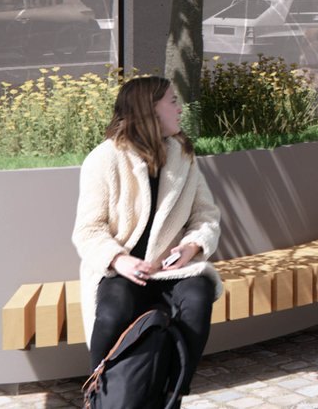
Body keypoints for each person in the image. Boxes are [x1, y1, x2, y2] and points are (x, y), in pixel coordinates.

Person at [73, 76, 222, 406]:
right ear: (150, 110)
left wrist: (192, 247)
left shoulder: (183, 156)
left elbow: (206, 216)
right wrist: (118, 259)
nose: (179, 108)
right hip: (120, 269)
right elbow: (87, 230)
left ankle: (174, 395)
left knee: (198, 298)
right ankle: (98, 393)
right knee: (113, 312)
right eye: (172, 101)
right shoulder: (104, 159)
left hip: (169, 271)